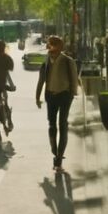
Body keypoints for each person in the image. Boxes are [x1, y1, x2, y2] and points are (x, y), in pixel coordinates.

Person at [36, 34, 79, 169]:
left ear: (60, 47)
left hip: (64, 96)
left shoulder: (68, 61)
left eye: (54, 44)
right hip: (51, 96)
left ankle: (59, 158)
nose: (51, 47)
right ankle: (54, 149)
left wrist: (71, 95)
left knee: (63, 124)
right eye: (50, 44)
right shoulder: (46, 61)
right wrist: (37, 96)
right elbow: (41, 80)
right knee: (52, 125)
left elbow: (74, 80)